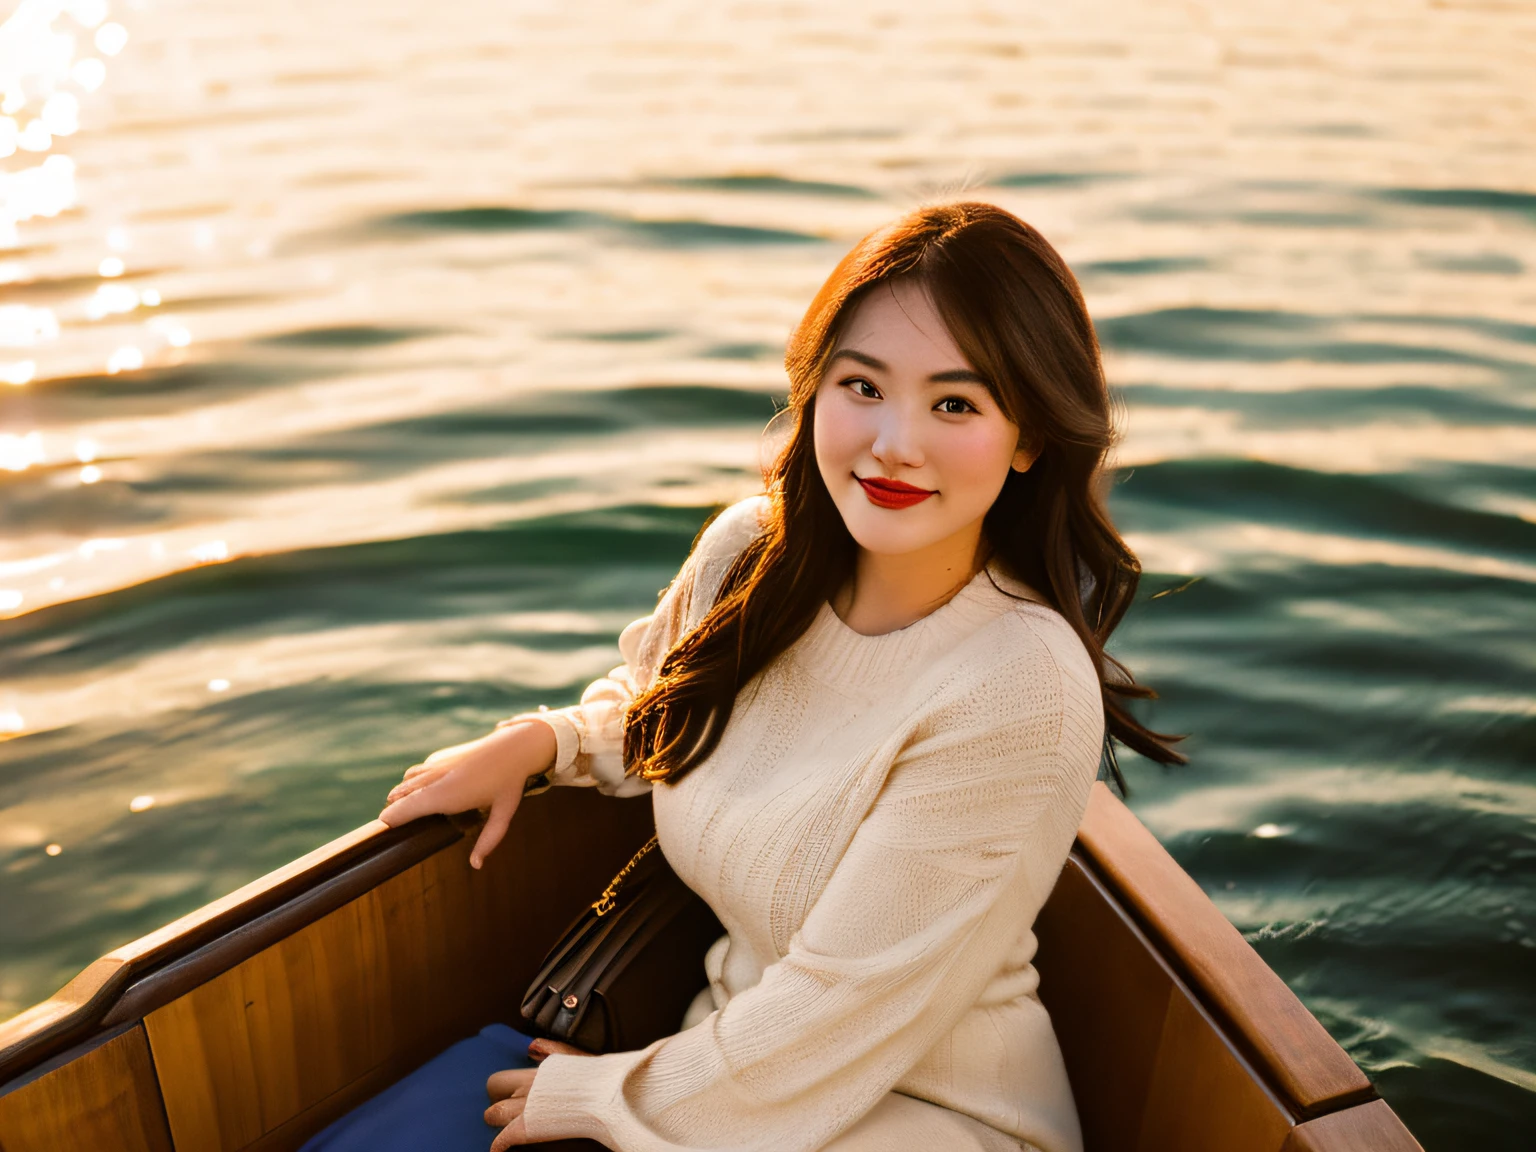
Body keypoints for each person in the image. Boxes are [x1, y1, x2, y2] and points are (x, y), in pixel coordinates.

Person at [374, 200, 1185, 1152]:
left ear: (1029, 438)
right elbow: (671, 706)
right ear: (815, 390)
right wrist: (545, 741)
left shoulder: (1019, 685)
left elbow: (839, 1008)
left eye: (955, 403)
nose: (894, 443)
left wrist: (609, 1097)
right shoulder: (752, 551)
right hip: (724, 1073)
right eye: (864, 386)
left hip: (929, 1118)